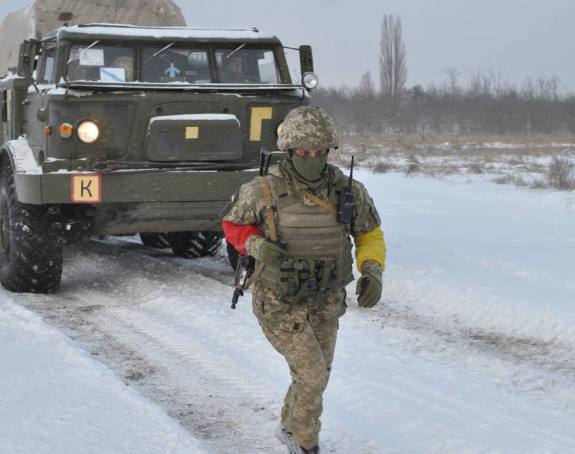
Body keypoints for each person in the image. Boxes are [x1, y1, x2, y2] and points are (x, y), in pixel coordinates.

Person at [222, 106, 386, 454]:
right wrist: (255, 244)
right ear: (290, 151)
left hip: (326, 299)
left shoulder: (348, 190)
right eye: (303, 153)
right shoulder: (262, 190)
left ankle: (287, 426)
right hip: (279, 301)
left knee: (316, 374)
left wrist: (372, 270)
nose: (313, 159)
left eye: (320, 152)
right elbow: (232, 225)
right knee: (312, 375)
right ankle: (305, 444)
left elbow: (369, 234)